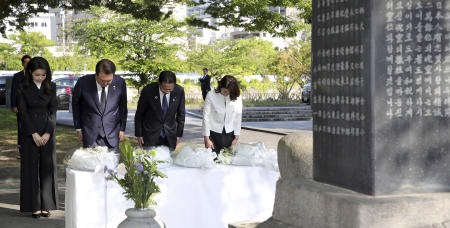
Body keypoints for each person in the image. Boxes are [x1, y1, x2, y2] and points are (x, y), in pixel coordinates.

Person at [17, 57, 58, 218]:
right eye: (37, 75)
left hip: (48, 132)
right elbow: (23, 112)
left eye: (43, 74)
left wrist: (47, 133)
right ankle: (33, 205)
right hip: (29, 133)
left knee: (47, 169)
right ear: (30, 73)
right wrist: (34, 133)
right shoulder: (22, 87)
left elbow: (53, 110)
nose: (40, 77)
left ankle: (46, 205)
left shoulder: (52, 86)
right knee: (30, 169)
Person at [72, 59, 128, 152]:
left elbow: (123, 107)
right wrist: (78, 128)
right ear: (96, 75)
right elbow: (76, 106)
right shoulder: (83, 82)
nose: (105, 84)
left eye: (109, 81)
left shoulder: (120, 83)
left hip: (112, 134)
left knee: (111, 165)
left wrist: (122, 129)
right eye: (103, 81)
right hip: (90, 134)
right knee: (92, 165)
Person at [135, 71, 185, 150]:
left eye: (170, 89)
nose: (167, 91)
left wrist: (179, 135)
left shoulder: (179, 91)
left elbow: (181, 115)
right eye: (164, 89)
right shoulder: (148, 90)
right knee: (150, 161)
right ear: (159, 83)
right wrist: (139, 134)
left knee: (168, 161)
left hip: (170, 136)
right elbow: (139, 114)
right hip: (149, 135)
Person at [202, 75, 242, 154]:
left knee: (228, 160)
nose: (225, 94)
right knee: (212, 160)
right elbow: (206, 117)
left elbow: (238, 117)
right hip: (213, 133)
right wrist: (207, 138)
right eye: (223, 91)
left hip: (230, 133)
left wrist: (236, 137)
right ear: (220, 86)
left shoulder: (237, 97)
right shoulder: (211, 95)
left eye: (228, 92)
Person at [11, 55, 31, 156]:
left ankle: (31, 149)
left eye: (29, 62)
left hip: (32, 107)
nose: (27, 64)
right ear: (22, 63)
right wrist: (14, 105)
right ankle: (21, 150)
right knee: (21, 128)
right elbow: (13, 91)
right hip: (20, 107)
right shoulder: (17, 76)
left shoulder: (35, 75)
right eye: (26, 62)